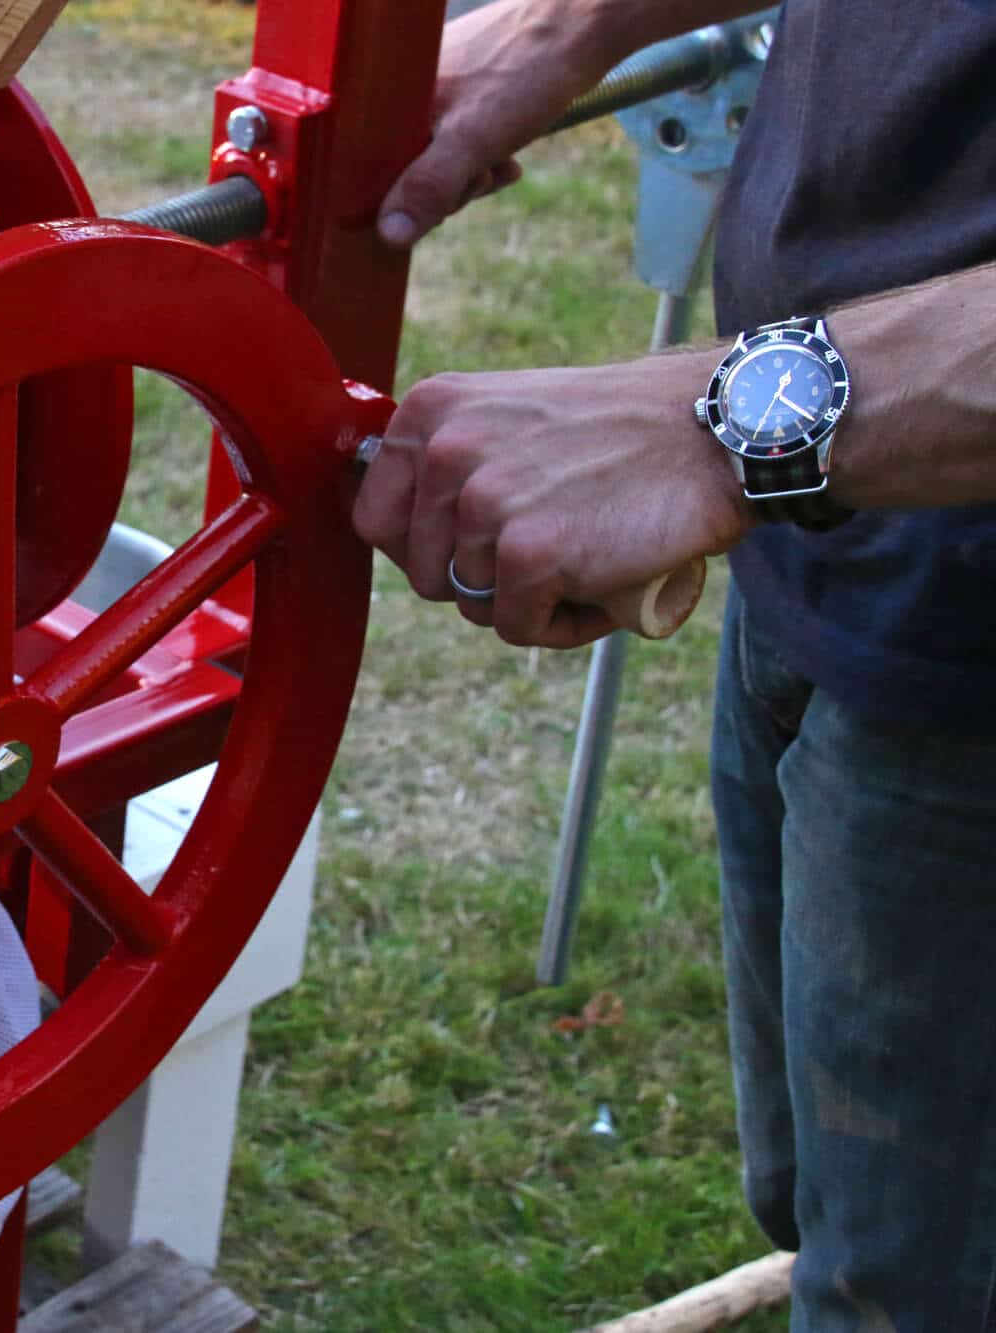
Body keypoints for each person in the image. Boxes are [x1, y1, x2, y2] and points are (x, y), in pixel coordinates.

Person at [352, 0, 996, 1327]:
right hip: (824, 548)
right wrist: (570, 25)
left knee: (913, 1290)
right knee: (823, 1204)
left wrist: (722, 425)